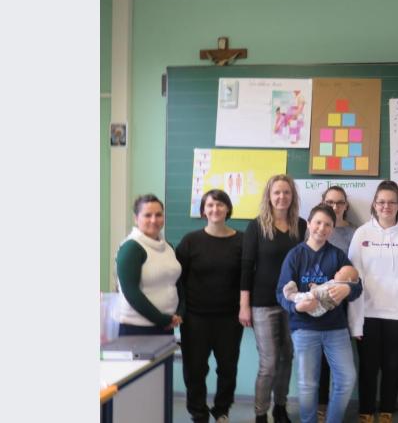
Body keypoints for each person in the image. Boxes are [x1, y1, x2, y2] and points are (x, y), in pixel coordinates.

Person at [277, 204, 363, 423]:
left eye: (327, 225)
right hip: (304, 328)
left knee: (346, 378)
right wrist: (295, 307)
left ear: (332, 229)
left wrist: (347, 289)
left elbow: (357, 286)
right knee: (307, 384)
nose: (322, 228)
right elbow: (281, 292)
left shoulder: (337, 255)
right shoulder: (295, 255)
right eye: (318, 222)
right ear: (309, 224)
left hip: (336, 328)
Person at [348, 180, 398, 423]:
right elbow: (352, 279)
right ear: (374, 204)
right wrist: (356, 321)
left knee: (392, 368)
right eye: (381, 202)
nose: (386, 206)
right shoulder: (361, 233)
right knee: (368, 369)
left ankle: (386, 412)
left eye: (392, 202)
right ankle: (366, 412)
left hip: (397, 317)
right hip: (367, 315)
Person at [240, 174, 307, 423]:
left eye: (286, 192)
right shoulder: (256, 226)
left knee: (286, 357)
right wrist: (243, 305)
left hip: (292, 304)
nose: (282, 197)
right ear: (269, 196)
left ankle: (280, 407)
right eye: (277, 192)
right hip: (262, 303)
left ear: (293, 196)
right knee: (268, 362)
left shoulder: (301, 226)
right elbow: (246, 267)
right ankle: (260, 413)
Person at [175, 189, 243, 423]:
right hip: (195, 318)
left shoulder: (241, 240)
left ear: (228, 209)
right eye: (210, 205)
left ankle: (222, 409)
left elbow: (246, 280)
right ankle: (198, 412)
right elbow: (178, 280)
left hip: (230, 319)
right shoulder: (190, 241)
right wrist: (180, 312)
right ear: (203, 210)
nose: (215, 209)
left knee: (227, 369)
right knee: (194, 370)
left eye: (220, 205)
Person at [316, 185, 357, 422]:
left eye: (340, 203)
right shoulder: (312, 230)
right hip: (316, 305)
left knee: (339, 362)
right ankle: (321, 407)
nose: (335, 207)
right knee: (318, 361)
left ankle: (335, 408)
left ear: (346, 206)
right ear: (322, 202)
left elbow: (355, 271)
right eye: (330, 202)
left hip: (343, 306)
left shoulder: (354, 233)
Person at [115, 194, 183, 336]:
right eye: (147, 215)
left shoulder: (168, 247)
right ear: (136, 218)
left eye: (158, 215)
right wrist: (162, 319)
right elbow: (131, 292)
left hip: (166, 326)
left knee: (165, 359)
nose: (154, 220)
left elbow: (176, 283)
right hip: (136, 329)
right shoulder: (131, 248)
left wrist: (179, 313)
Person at [283, 265, 359, 317]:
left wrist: (315, 292)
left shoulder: (339, 288)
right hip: (315, 300)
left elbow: (327, 295)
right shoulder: (333, 281)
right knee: (307, 297)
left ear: (348, 280)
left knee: (308, 297)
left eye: (340, 272)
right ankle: (296, 294)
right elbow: (323, 287)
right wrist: (315, 286)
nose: (336, 272)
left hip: (319, 308)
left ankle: (291, 295)